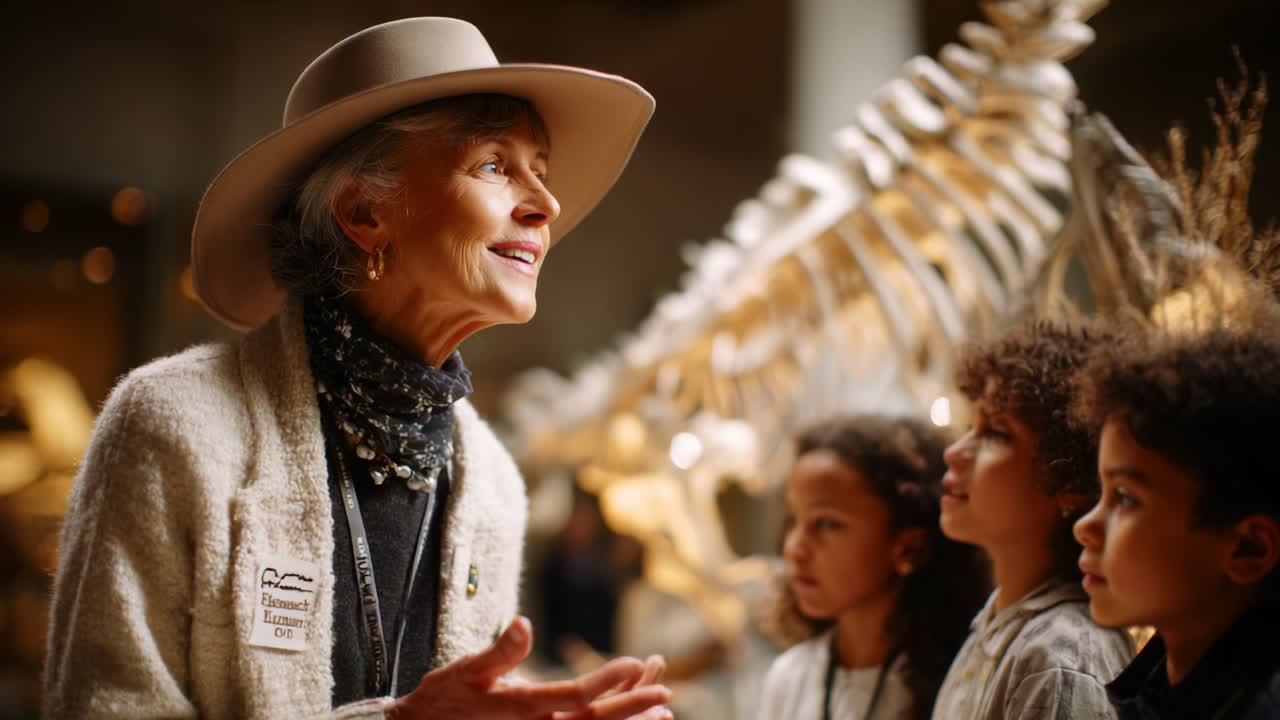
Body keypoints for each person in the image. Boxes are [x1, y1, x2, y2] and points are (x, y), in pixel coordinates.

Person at [43, 17, 673, 720]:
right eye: (494, 165)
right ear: (364, 211)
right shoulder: (173, 425)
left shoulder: (491, 481)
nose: (547, 204)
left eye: (542, 171)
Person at [1072, 326, 1280, 719]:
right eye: (1102, 492)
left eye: (1125, 497)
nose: (1084, 526)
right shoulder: (1156, 689)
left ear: (1247, 549)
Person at [930, 321, 1134, 720]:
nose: (954, 452)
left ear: (1069, 480)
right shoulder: (1000, 621)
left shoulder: (1059, 656)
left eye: (996, 433)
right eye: (970, 428)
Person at [760, 415, 989, 720]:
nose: (794, 549)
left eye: (825, 523)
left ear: (908, 547)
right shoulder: (790, 677)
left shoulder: (964, 678)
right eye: (793, 519)